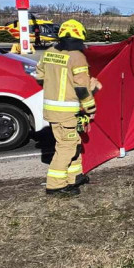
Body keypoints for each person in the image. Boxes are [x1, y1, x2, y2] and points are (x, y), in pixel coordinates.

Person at [33, 19, 98, 196]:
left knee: (74, 143)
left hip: (52, 110)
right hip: (67, 112)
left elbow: (39, 77)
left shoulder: (49, 53)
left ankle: (74, 176)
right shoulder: (77, 57)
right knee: (66, 147)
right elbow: (82, 89)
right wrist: (91, 108)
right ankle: (56, 185)